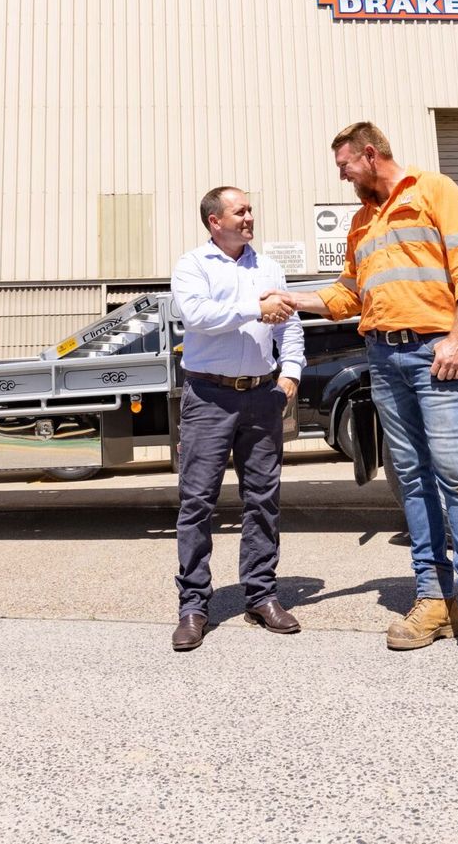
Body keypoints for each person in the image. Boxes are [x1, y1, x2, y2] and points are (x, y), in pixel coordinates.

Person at [281, 122, 458, 683]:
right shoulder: (362, 221)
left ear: (369, 153)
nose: (341, 174)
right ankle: (436, 599)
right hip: (383, 359)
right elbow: (348, 294)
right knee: (409, 477)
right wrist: (293, 299)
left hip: (434, 351)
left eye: (345, 164)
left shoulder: (433, 190)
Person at [167, 186, 305, 651]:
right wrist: (255, 307)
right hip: (208, 396)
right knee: (197, 502)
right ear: (214, 221)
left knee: (263, 499)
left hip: (261, 396)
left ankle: (261, 595)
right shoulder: (193, 266)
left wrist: (290, 373)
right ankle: (193, 606)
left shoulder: (267, 267)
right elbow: (198, 315)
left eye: (249, 210)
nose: (249, 217)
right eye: (239, 211)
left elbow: (289, 325)